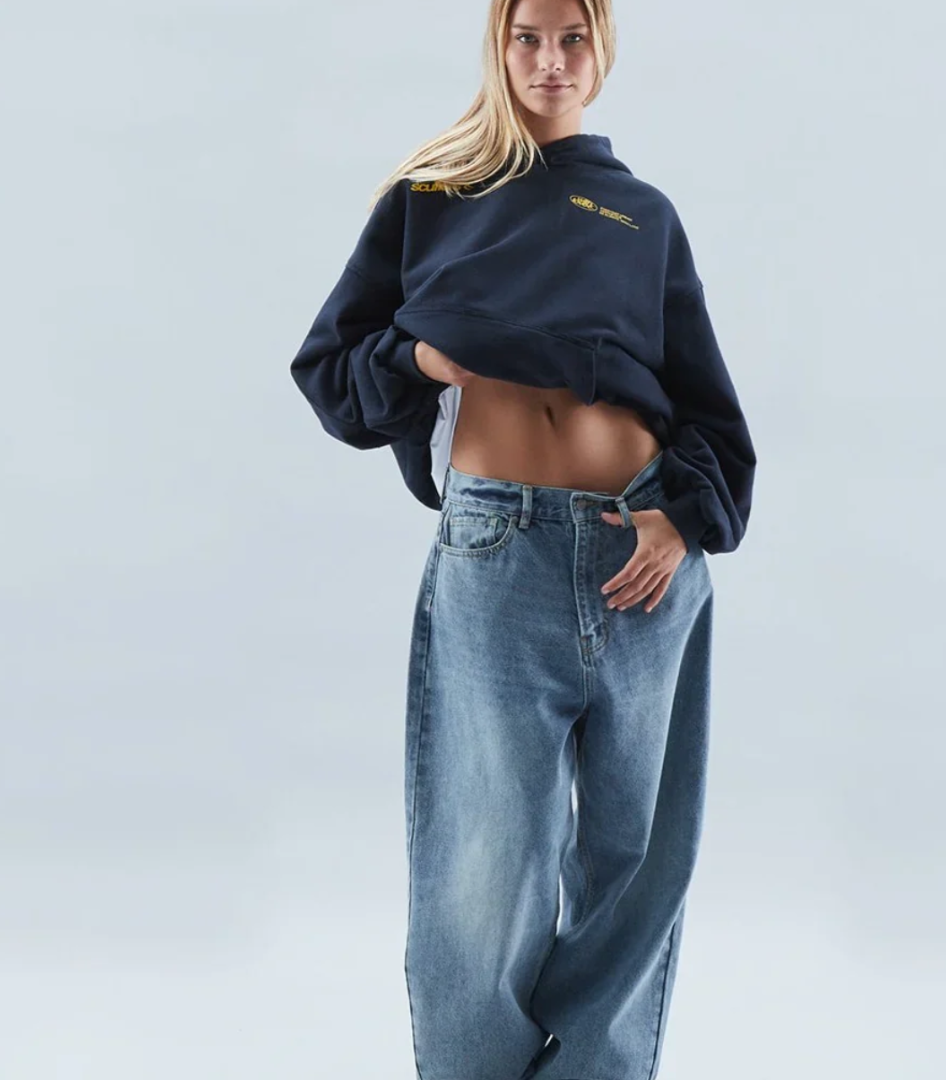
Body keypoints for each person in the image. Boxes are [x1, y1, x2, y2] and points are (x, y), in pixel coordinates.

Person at [289, 0, 757, 1076]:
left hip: (642, 558)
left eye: (573, 37)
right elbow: (330, 371)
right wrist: (418, 362)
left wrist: (683, 518)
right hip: (498, 554)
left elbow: (711, 413)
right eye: (528, 37)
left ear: (603, 50)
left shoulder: (643, 215)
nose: (551, 59)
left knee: (636, 862)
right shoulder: (434, 197)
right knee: (485, 866)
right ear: (498, 48)